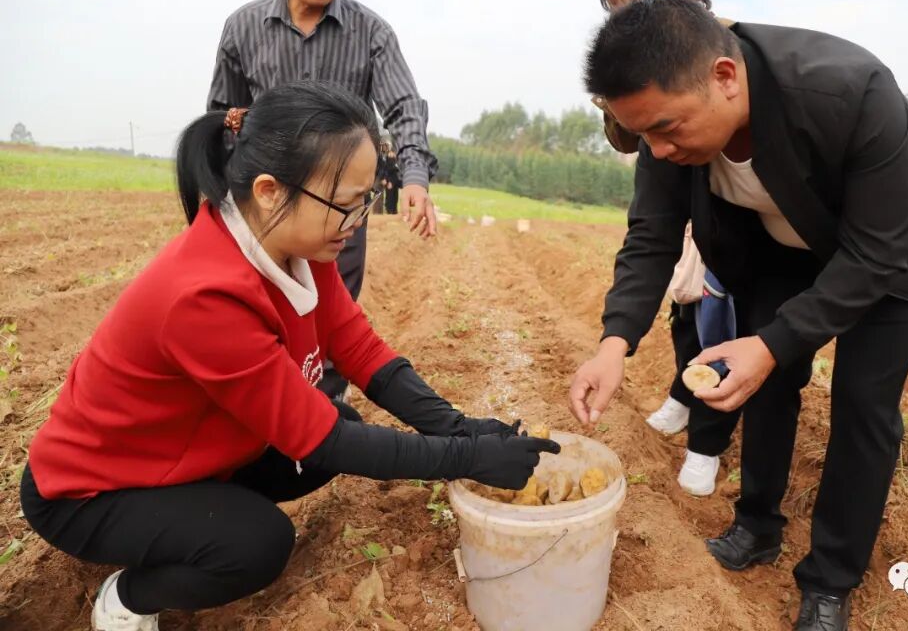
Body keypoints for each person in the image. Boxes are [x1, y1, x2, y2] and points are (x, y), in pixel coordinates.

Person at [21, 82, 559, 631]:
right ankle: (128, 597)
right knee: (257, 544)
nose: (358, 221)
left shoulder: (298, 243)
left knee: (337, 426)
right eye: (346, 204)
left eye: (366, 201)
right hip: (91, 489)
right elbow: (322, 438)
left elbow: (362, 352)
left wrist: (463, 429)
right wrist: (467, 459)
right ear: (271, 190)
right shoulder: (205, 296)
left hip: (184, 454)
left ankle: (195, 516)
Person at [569, 0, 908, 631]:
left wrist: (776, 340)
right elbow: (652, 235)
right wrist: (614, 342)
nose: (661, 151)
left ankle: (831, 579)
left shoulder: (848, 89)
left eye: (669, 129)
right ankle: (757, 524)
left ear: (724, 77)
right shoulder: (662, 123)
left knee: (863, 404)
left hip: (893, 248)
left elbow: (875, 251)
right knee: (758, 377)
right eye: (645, 136)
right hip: (785, 239)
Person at [207, 0, 437, 401]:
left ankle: (321, 402)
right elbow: (223, 117)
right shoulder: (243, 28)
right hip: (265, 203)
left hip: (337, 207)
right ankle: (263, 393)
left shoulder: (371, 33)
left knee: (328, 311)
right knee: (257, 304)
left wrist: (414, 176)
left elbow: (404, 106)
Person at [595, 0, 740, 496]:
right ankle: (685, 395)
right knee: (686, 314)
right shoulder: (632, 74)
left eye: (635, 6)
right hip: (680, 214)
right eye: (616, 15)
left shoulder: (715, 46)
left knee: (721, 321)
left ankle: (708, 441)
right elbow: (634, 146)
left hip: (729, 215)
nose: (627, 23)